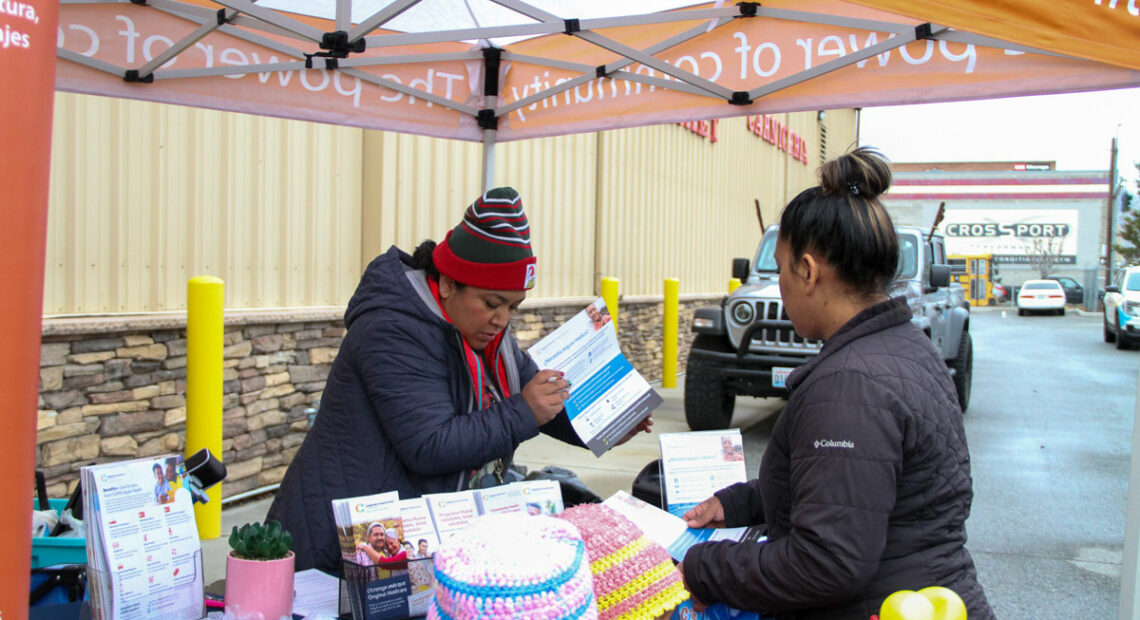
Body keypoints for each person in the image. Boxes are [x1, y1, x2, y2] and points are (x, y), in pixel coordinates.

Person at [677, 148, 994, 620]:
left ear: (808, 271)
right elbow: (856, 483)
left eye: (783, 267)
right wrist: (741, 502)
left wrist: (700, 566)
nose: (780, 283)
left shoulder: (850, 385)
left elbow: (826, 561)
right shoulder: (904, 345)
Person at [268, 187, 651, 574]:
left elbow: (541, 399)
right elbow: (430, 444)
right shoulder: (391, 328)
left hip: (409, 538)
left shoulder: (485, 334)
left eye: (513, 306)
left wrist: (604, 425)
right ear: (448, 283)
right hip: (336, 552)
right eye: (491, 303)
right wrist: (524, 410)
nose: (502, 319)